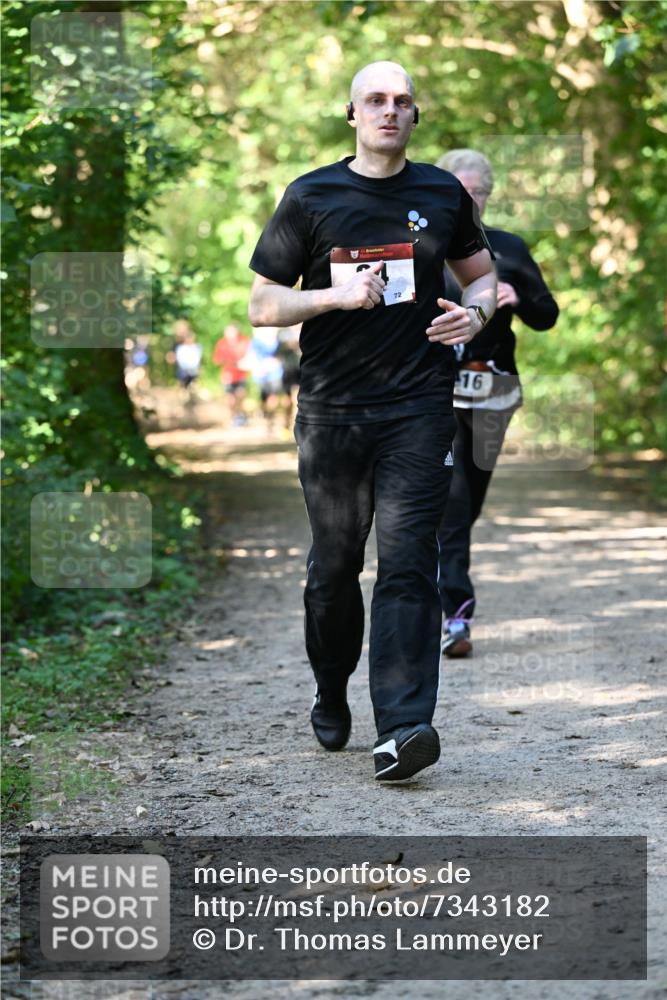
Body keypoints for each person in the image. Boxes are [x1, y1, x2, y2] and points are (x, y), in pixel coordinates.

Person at [248, 62, 497, 781]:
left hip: (419, 407)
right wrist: (332, 296)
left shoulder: (442, 193)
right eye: (376, 101)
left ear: (415, 115)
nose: (390, 111)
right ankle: (330, 686)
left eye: (402, 101)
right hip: (333, 414)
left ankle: (402, 727)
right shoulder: (311, 195)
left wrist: (473, 314)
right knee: (333, 567)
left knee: (410, 563)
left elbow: (482, 276)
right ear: (352, 115)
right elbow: (263, 305)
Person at [435, 149, 559, 657]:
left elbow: (547, 315)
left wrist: (517, 298)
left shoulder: (507, 247)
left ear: (488, 195)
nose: (471, 200)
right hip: (434, 389)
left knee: (469, 503)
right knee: (452, 499)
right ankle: (455, 615)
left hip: (493, 390)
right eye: (460, 192)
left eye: (479, 192)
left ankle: (438, 582)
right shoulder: (422, 247)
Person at [212, 324, 249, 425]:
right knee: (230, 399)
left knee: (240, 395)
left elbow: (250, 355)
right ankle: (233, 417)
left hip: (241, 374)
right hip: (228, 376)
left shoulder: (244, 341)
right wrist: (228, 362)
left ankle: (241, 413)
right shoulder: (222, 344)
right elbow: (217, 359)